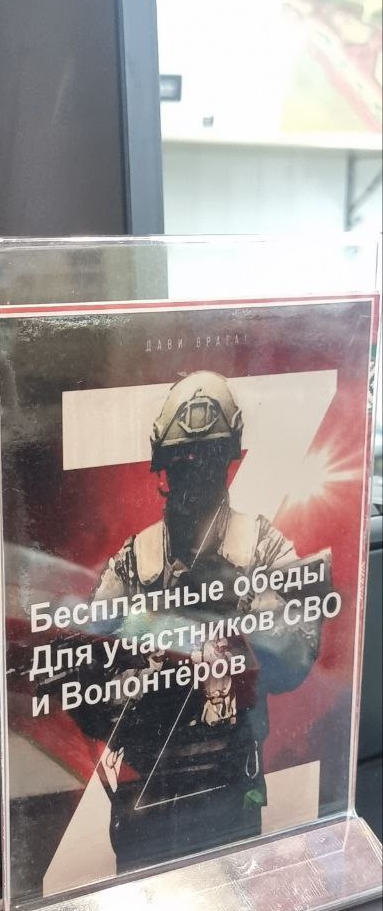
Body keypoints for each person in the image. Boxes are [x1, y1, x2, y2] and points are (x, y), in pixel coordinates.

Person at [68, 371, 327, 873]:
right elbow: (83, 679)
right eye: (183, 461)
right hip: (148, 792)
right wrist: (140, 681)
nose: (196, 474)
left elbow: (296, 659)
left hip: (230, 785)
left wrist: (241, 616)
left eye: (208, 457)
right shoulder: (134, 562)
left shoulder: (263, 549)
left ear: (227, 459)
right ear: (164, 465)